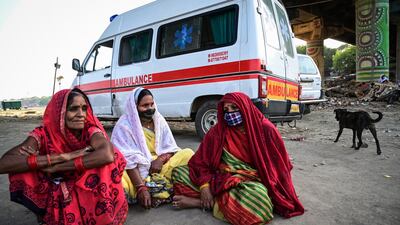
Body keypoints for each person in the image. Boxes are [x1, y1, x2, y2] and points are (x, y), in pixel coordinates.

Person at [171, 92, 304, 225]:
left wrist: (275, 188)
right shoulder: (218, 130)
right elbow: (200, 162)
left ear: (245, 107)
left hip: (251, 181)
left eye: (234, 108)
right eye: (226, 110)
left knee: (258, 202)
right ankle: (222, 201)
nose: (230, 113)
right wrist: (204, 187)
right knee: (179, 174)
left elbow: (280, 165)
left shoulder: (265, 129)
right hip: (219, 177)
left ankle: (202, 203)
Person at [0, 88, 128, 225]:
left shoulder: (90, 130)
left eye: (84, 108)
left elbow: (107, 155)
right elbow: (4, 163)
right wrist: (63, 156)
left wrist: (57, 167)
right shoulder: (43, 134)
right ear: (59, 113)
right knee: (23, 165)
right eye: (74, 109)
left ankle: (101, 217)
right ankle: (44, 212)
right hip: (53, 183)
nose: (81, 115)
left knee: (110, 160)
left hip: (81, 180)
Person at [111, 87, 194, 209]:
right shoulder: (124, 126)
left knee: (188, 153)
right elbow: (127, 158)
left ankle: (157, 188)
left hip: (159, 166)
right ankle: (154, 190)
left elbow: (170, 147)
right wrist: (140, 187)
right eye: (144, 105)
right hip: (135, 170)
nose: (150, 109)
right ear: (134, 107)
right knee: (116, 173)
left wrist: (160, 160)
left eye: (151, 104)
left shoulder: (158, 119)